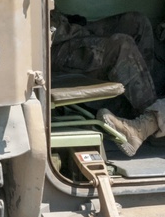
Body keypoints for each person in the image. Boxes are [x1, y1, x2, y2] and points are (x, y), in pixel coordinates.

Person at [51, 10, 165, 156]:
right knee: (137, 23)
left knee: (121, 45)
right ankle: (151, 121)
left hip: (62, 33)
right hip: (56, 37)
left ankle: (147, 126)